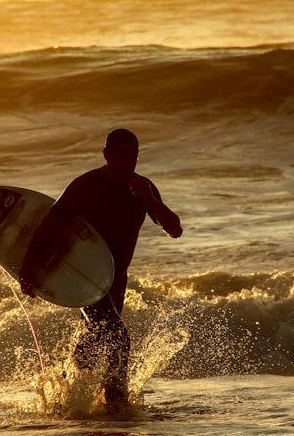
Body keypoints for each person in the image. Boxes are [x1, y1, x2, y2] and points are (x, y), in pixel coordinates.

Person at [18, 128, 183, 412]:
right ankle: (115, 403)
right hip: (85, 279)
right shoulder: (86, 186)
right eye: (119, 155)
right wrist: (28, 269)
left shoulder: (143, 189)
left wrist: (150, 199)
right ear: (106, 155)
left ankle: (68, 398)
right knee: (117, 335)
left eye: (131, 156)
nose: (125, 161)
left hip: (116, 280)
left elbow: (174, 229)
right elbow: (49, 225)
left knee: (95, 340)